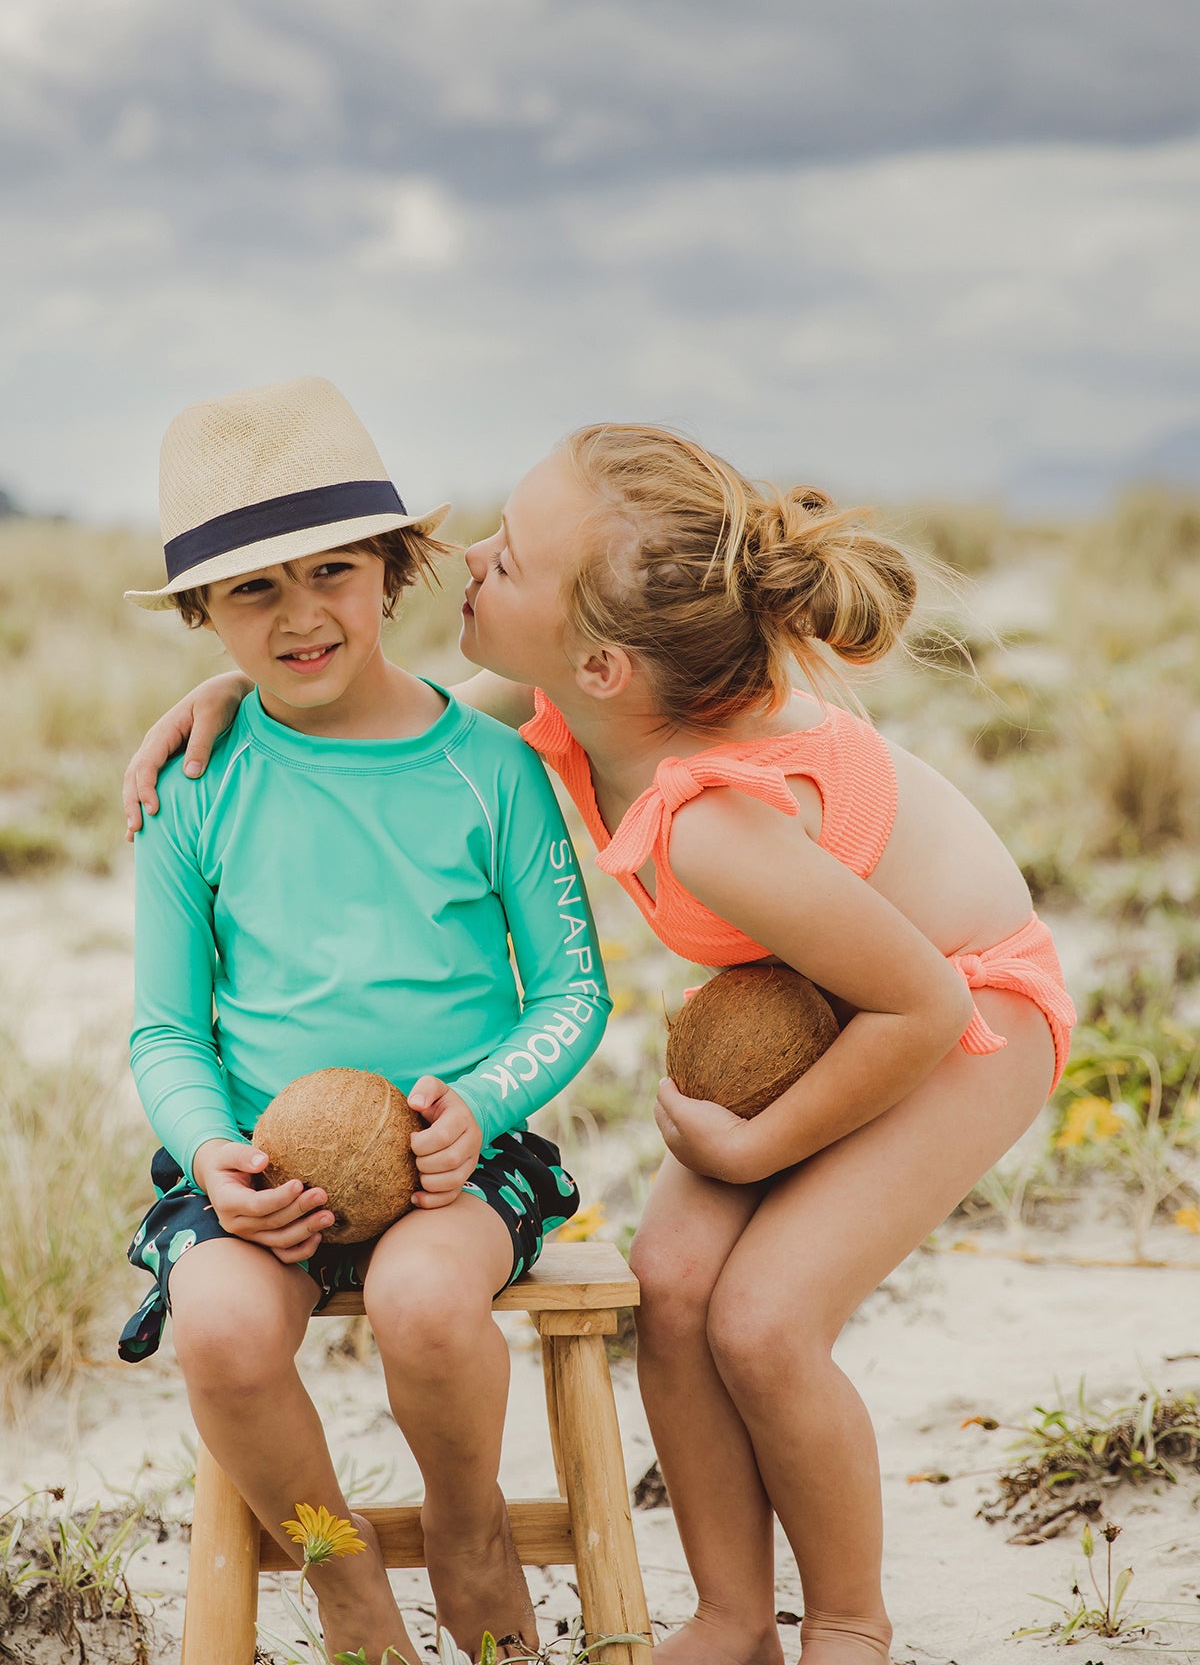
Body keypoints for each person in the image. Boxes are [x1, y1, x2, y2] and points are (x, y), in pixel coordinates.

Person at [126, 422, 1075, 1665]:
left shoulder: (711, 827)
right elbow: (375, 739)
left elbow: (927, 1011)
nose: (470, 557)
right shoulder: (560, 688)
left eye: (507, 560)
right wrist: (235, 691)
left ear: (601, 665)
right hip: (823, 994)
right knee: (675, 1288)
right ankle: (734, 1619)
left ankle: (848, 1619)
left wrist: (754, 1148)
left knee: (764, 1322)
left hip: (964, 1010)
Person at [119, 379, 610, 1665]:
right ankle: (339, 1573)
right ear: (201, 614)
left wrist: (482, 1108)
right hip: (257, 1170)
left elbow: (575, 992)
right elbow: (163, 1028)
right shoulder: (194, 787)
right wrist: (211, 1149)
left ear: (391, 568)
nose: (299, 617)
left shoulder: (488, 770)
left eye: (330, 571)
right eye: (250, 592)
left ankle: (466, 1529)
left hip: (458, 1161)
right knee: (219, 1328)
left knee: (427, 1306)